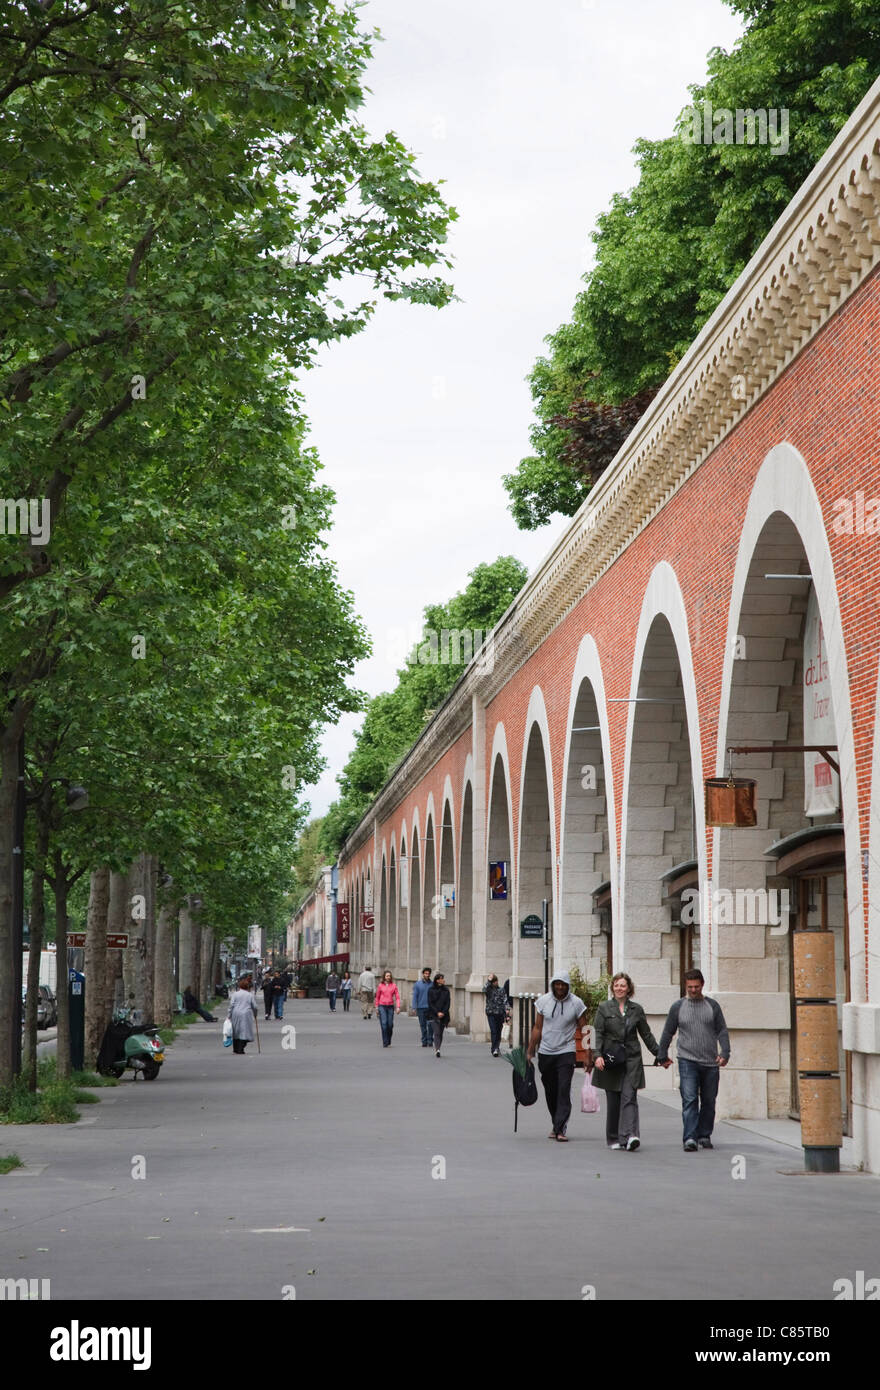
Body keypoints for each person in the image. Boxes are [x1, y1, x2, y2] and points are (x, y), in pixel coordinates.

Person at [657, 969, 730, 1151]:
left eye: (696, 986)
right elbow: (668, 1031)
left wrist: (725, 1052)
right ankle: (690, 1137)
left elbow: (722, 1030)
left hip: (710, 1061)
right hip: (687, 1059)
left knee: (709, 1100)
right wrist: (661, 1054)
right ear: (685, 986)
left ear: (702, 985)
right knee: (689, 1099)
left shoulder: (712, 1006)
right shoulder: (678, 1007)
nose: (693, 990)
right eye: (690, 987)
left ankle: (704, 1135)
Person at [593, 972, 660, 1151]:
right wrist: (597, 1055)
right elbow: (597, 1033)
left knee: (629, 1097)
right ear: (612, 988)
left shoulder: (636, 1009)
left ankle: (631, 1136)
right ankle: (614, 1138)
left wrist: (660, 1054)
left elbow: (646, 1034)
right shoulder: (604, 1008)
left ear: (629, 988)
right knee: (614, 1101)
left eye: (623, 985)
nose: (619, 988)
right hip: (611, 1059)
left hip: (631, 1059)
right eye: (616, 985)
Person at [526, 971, 586, 1141]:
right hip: (546, 1052)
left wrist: (590, 1053)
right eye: (557, 984)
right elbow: (537, 1028)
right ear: (552, 985)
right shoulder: (544, 1001)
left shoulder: (576, 1003)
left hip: (566, 1051)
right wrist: (530, 1050)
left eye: (563, 984)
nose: (560, 987)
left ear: (568, 986)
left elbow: (587, 1029)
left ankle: (560, 1129)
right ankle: (556, 1123)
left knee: (563, 1089)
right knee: (551, 1090)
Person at [227, 974, 258, 1054]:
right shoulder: (249, 995)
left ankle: (235, 1048)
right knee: (244, 1030)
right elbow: (254, 1006)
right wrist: (255, 1014)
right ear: (247, 987)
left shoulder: (235, 994)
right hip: (245, 1013)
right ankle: (241, 1048)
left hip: (236, 1013)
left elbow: (231, 1005)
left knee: (236, 1030)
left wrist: (229, 1016)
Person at [482, 974, 510, 1057]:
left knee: (498, 1031)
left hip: (500, 1013)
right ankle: (494, 1049)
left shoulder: (501, 990)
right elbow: (483, 990)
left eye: (496, 981)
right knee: (493, 1030)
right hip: (491, 1013)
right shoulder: (489, 990)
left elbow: (505, 1000)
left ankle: (496, 1047)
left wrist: (507, 1009)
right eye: (493, 982)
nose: (495, 983)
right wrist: (488, 980)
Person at [427, 972, 451, 1058]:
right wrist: (437, 1012)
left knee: (440, 1033)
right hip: (433, 1014)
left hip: (444, 1015)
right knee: (436, 1032)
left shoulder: (446, 990)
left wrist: (443, 1012)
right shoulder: (431, 990)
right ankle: (437, 1049)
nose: (443, 980)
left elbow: (448, 1003)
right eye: (442, 978)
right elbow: (430, 1003)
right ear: (437, 980)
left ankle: (438, 1047)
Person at [375, 970, 401, 1047]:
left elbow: (397, 997)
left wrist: (398, 1007)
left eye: (389, 976)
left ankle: (389, 1039)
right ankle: (385, 1042)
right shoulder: (380, 986)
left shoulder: (393, 986)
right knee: (384, 1024)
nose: (388, 977)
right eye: (387, 976)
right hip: (382, 1006)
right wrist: (376, 1007)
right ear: (384, 977)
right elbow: (377, 997)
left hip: (390, 1007)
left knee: (390, 1025)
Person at [411, 966, 433, 1047]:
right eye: (426, 973)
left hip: (431, 1008)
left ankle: (430, 1039)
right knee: (423, 1025)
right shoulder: (417, 984)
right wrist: (414, 1007)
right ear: (423, 974)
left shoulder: (432, 984)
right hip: (421, 1008)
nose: (427, 975)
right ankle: (424, 1040)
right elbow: (415, 996)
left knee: (430, 1025)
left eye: (428, 974)